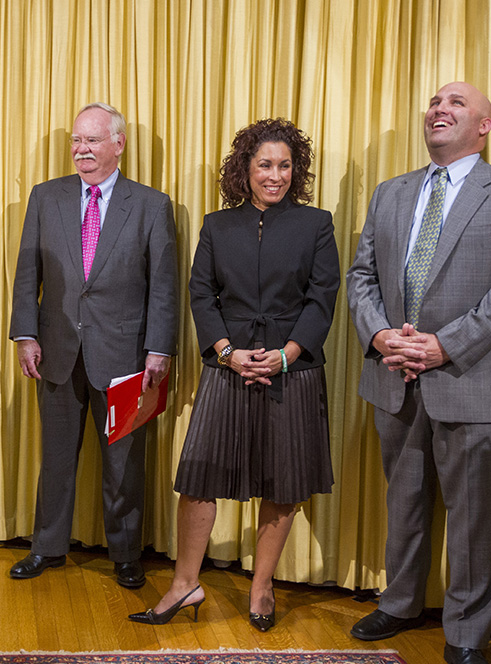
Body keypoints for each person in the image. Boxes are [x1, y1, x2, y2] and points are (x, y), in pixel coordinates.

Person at [345, 82, 491, 664]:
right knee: (403, 502)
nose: (439, 108)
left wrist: (443, 346)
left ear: (484, 125)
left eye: (456, 103)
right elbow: (362, 277)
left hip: (474, 379)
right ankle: (402, 600)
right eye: (434, 101)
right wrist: (381, 335)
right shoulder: (390, 193)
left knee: (475, 517)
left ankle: (465, 633)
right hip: (393, 374)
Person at [128, 118, 339, 630]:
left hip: (294, 370)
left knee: (281, 483)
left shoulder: (317, 224)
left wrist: (286, 354)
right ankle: (184, 584)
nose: (276, 175)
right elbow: (202, 293)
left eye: (285, 165)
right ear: (245, 169)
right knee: (199, 478)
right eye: (265, 164)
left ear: (297, 169)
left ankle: (262, 587)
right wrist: (227, 351)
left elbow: (323, 295)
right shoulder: (217, 226)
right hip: (228, 368)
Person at [8, 102, 178, 589]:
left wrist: (158, 349)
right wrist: (26, 334)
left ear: (118, 144)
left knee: (124, 464)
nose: (80, 149)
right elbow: (27, 277)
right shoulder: (46, 197)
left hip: (126, 358)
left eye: (91, 140)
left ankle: (125, 553)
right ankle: (47, 549)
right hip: (56, 353)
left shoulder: (150, 205)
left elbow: (162, 287)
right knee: (56, 459)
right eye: (76, 141)